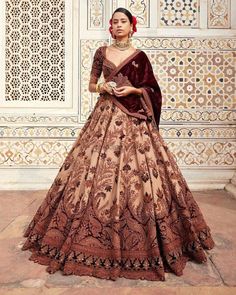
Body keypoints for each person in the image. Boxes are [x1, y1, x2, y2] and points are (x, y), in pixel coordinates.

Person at [21, 7, 215, 281]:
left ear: (132, 26)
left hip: (134, 118)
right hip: (106, 114)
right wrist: (104, 88)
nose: (118, 25)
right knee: (91, 174)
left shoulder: (140, 57)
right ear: (110, 27)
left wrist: (135, 90)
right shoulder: (102, 52)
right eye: (114, 22)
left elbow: (152, 89)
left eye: (123, 21)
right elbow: (91, 85)